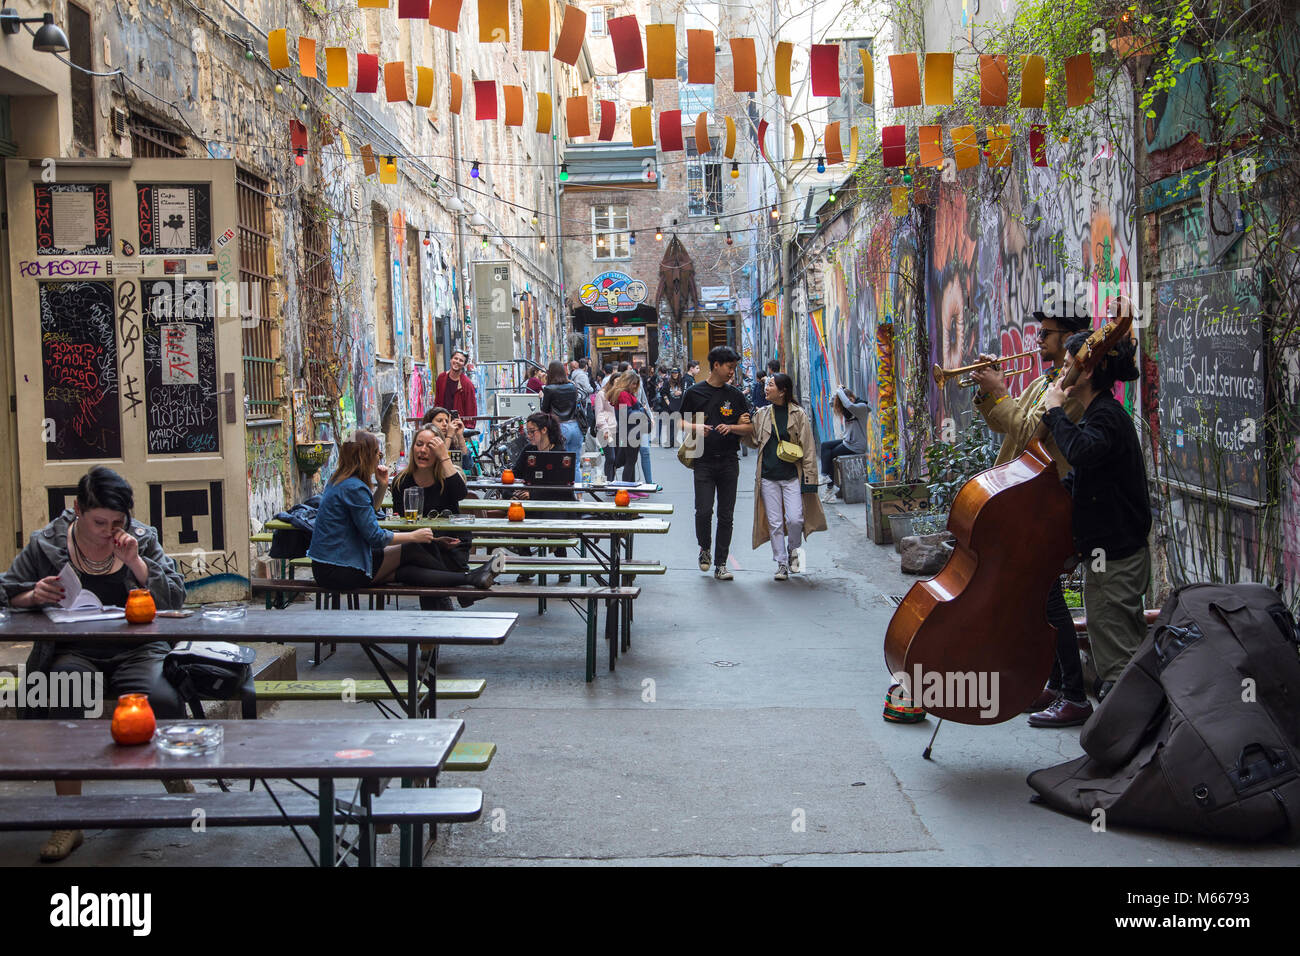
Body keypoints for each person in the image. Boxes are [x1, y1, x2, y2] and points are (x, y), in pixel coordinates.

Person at [1, 466, 187, 862]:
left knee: (158, 695)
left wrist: (138, 566)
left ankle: (173, 779)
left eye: (117, 522)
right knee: (64, 693)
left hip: (137, 648)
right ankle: (70, 819)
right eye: (99, 521)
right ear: (77, 510)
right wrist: (33, 596)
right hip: (75, 650)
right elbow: (6, 592)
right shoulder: (48, 543)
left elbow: (175, 600)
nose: (108, 530)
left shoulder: (141, 540)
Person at [968, 310, 1089, 727]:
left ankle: (1074, 693)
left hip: (1046, 504)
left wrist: (999, 390)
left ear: (1072, 338)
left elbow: (1025, 432)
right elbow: (1008, 424)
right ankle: (1056, 684)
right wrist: (989, 394)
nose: (1038, 340)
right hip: (1024, 495)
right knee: (1041, 599)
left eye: (1048, 334)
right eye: (1039, 333)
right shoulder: (1046, 381)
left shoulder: (1072, 390)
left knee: (1050, 600)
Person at [1042, 330, 1150, 706]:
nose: (1062, 374)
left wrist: (1055, 410)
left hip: (1117, 556)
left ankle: (1129, 742)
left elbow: (1080, 452)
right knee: (1119, 645)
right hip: (1109, 553)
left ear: (1085, 373)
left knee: (1117, 657)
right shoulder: (1100, 414)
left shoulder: (1105, 417)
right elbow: (1084, 477)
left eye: (1069, 366)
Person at [308, 430, 503, 598]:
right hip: (341, 569)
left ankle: (470, 581)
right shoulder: (354, 487)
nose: (380, 456)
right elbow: (375, 537)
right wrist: (414, 536)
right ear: (365, 457)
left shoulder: (339, 480)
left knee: (408, 571)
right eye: (377, 452)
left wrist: (382, 486)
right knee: (413, 548)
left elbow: (368, 514)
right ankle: (468, 579)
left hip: (331, 565)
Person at [389, 425, 482, 609]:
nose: (423, 450)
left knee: (415, 573)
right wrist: (435, 540)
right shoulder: (402, 481)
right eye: (419, 444)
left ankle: (429, 633)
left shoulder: (448, 475)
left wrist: (444, 457)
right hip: (422, 547)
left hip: (453, 546)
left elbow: (460, 493)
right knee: (412, 569)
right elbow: (403, 525)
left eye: (430, 446)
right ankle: (461, 585)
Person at [680, 346, 753, 581]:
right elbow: (678, 422)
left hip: (730, 461)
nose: (732, 372)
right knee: (703, 511)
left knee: (726, 515)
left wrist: (732, 427)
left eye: (734, 368)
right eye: (729, 367)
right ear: (716, 366)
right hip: (703, 460)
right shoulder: (694, 393)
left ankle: (721, 563)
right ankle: (704, 548)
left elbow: (749, 427)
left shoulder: (736, 395)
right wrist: (696, 427)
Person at [745, 373, 826, 580]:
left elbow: (808, 449)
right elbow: (753, 441)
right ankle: (781, 563)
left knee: (795, 519)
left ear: (782, 391)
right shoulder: (762, 414)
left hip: (792, 476)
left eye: (770, 385)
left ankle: (794, 551)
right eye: (766, 385)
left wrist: (810, 482)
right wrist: (743, 427)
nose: (766, 388)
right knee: (775, 523)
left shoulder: (798, 414)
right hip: (767, 477)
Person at [510, 412, 576, 583]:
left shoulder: (559, 452)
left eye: (532, 432)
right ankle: (527, 564)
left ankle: (562, 564)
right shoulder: (529, 450)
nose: (529, 435)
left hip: (556, 503)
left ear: (544, 430)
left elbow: (561, 486)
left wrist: (533, 493)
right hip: (531, 503)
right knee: (517, 520)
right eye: (527, 432)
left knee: (555, 518)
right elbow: (515, 474)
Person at [819, 387, 871, 500]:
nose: (845, 405)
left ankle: (829, 485)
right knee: (825, 446)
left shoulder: (861, 407)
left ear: (852, 398)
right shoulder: (847, 409)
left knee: (830, 453)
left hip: (856, 445)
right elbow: (831, 403)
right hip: (847, 442)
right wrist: (837, 393)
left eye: (847, 400)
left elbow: (849, 405)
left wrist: (839, 391)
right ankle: (826, 478)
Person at [540, 360, 584, 480]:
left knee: (559, 463)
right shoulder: (572, 386)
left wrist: (542, 397)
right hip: (575, 425)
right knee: (575, 464)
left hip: (560, 427)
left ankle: (564, 494)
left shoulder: (549, 389)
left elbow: (544, 410)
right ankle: (578, 495)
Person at [604, 370, 643, 482]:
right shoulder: (624, 394)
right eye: (633, 383)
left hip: (628, 430)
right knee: (630, 461)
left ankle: (631, 487)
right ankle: (628, 488)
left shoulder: (622, 393)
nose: (635, 386)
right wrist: (641, 410)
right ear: (627, 382)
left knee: (630, 461)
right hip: (630, 431)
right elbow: (627, 414)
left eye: (636, 384)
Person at [435, 349, 478, 427]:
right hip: (442, 424)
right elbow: (437, 402)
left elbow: (471, 408)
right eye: (455, 358)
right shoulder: (441, 378)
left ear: (464, 364)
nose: (457, 361)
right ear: (451, 360)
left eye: (461, 360)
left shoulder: (467, 384)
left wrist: (468, 427)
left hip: (458, 426)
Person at [659, 367, 687, 447]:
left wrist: (680, 393)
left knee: (677, 424)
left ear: (679, 373)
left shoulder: (682, 381)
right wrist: (668, 403)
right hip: (670, 406)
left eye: (676, 373)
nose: (674, 374)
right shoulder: (667, 382)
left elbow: (686, 391)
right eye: (673, 373)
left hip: (679, 406)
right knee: (670, 424)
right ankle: (669, 442)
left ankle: (674, 441)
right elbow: (663, 393)